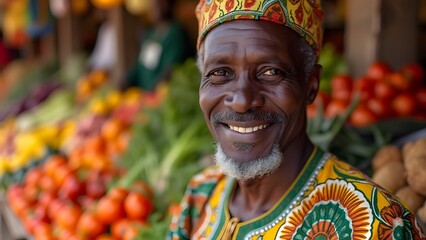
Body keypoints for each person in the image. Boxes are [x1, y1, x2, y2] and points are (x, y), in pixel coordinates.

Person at [166, 0, 425, 239]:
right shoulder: (201, 194)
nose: (242, 100)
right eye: (220, 73)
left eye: (270, 72)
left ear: (311, 85)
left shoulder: (377, 225)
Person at [124, 0, 195, 91]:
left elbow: (171, 69)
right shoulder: (150, 34)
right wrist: (126, 81)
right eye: (152, 4)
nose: (155, 7)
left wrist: (153, 92)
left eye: (160, 3)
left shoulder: (175, 33)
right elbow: (139, 65)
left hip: (165, 95)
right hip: (144, 97)